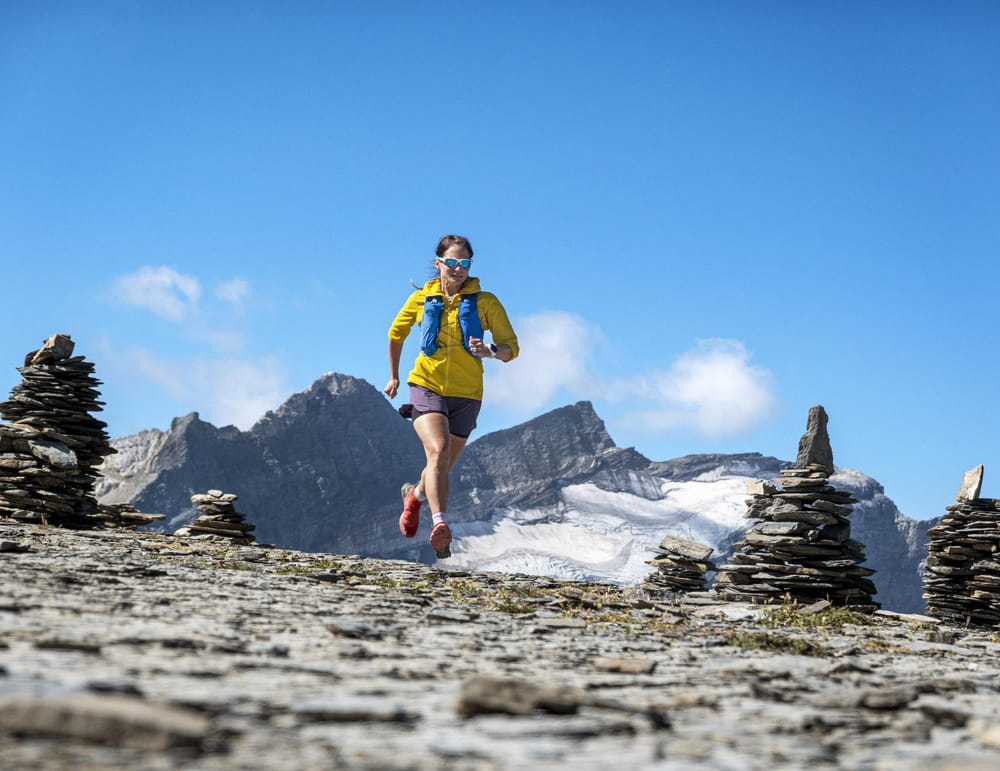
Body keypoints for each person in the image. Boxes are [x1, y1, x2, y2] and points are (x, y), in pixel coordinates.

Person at [384, 234, 519, 558]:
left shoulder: (486, 302)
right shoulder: (420, 299)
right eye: (452, 262)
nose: (458, 269)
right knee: (439, 451)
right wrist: (394, 376)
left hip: (468, 394)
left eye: (465, 263)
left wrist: (489, 351)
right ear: (438, 263)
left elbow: (510, 347)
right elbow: (395, 334)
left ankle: (414, 496)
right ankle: (440, 524)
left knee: (440, 465)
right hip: (426, 385)